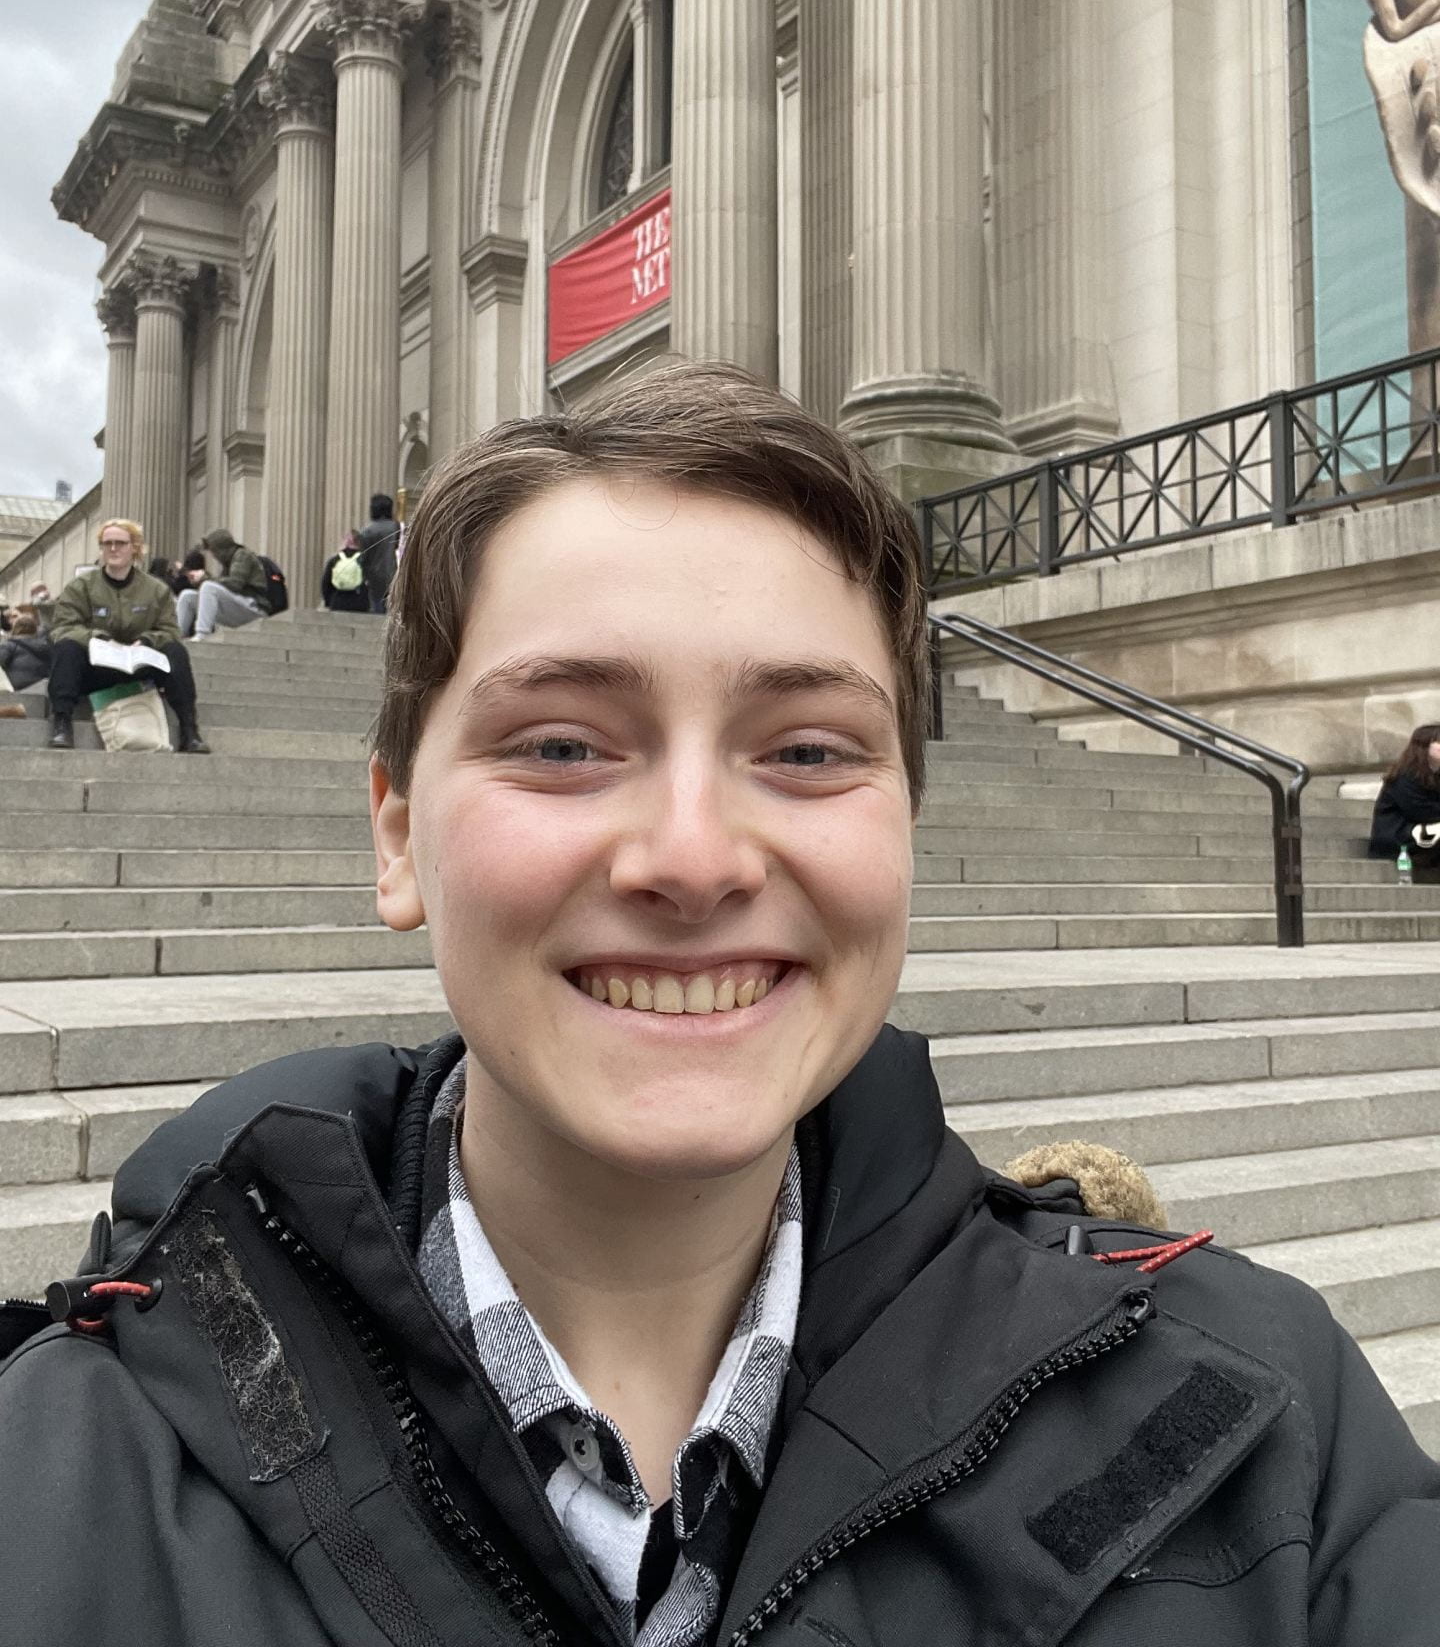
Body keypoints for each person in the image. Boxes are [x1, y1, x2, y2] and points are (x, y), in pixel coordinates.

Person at [1, 363, 1435, 1645]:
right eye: (562, 743)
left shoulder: (1271, 1425)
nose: (691, 859)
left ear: (907, 831)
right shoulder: (56, 1471)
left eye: (809, 750)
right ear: (395, 834)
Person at [44, 518, 208, 753]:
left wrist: (148, 641)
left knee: (175, 651)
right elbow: (62, 627)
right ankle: (61, 723)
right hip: (95, 667)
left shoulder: (156, 589)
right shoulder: (80, 586)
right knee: (66, 647)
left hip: (139, 668)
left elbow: (171, 631)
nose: (113, 548)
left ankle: (190, 730)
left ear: (135, 548)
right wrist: (96, 638)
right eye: (107, 543)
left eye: (120, 543)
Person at [176, 528, 271, 640]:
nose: (213, 555)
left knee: (208, 587)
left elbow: (236, 583)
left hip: (254, 606)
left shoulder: (242, 555)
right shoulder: (228, 562)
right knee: (187, 596)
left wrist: (206, 579)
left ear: (221, 548)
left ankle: (202, 633)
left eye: (213, 550)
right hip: (239, 605)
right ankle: (177, 635)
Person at [1370, 722, 1440, 870]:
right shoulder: (1405, 776)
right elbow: (1423, 811)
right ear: (1423, 746)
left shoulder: (1435, 776)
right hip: (1398, 836)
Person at [357, 490, 400, 613]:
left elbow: (362, 557)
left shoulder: (367, 531)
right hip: (396, 574)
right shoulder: (399, 528)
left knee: (377, 608)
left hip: (374, 578)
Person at [0, 610, 53, 691]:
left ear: (15, 629)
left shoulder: (9, 645)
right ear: (35, 629)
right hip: (43, 690)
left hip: (18, 690)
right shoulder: (46, 646)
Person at [320, 529, 369, 613]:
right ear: (359, 543)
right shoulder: (364, 560)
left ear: (345, 542)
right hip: (359, 603)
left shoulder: (335, 560)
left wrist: (328, 601)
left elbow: (325, 583)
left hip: (338, 601)